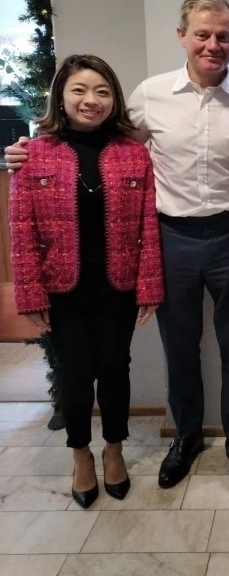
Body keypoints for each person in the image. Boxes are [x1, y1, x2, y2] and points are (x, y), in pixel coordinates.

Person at [7, 0, 229, 494]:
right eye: (202, 34)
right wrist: (30, 150)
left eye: (223, 35)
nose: (213, 44)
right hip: (172, 237)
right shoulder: (150, 94)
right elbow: (102, 142)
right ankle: (187, 438)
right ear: (182, 36)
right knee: (180, 348)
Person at [9, 54, 163, 509]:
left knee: (115, 370)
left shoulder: (133, 154)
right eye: (79, 90)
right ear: (61, 96)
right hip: (63, 289)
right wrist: (30, 292)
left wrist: (150, 285)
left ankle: (114, 449)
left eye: (102, 91)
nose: (90, 100)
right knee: (74, 375)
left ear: (114, 99)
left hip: (118, 286)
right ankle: (81, 454)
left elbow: (149, 225)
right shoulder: (34, 154)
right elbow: (21, 230)